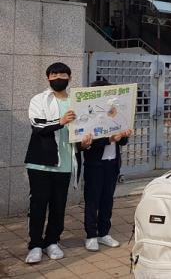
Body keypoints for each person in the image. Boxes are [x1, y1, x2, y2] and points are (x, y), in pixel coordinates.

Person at [25, 63, 93, 264]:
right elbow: (37, 126)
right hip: (41, 163)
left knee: (58, 205)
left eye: (62, 74)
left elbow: (80, 131)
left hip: (65, 163)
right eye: (53, 74)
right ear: (48, 78)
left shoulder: (76, 102)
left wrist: (84, 145)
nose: (58, 77)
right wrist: (60, 121)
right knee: (38, 205)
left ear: (70, 78)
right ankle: (35, 245)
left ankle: (52, 241)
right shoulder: (39, 99)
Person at [80, 80, 133, 252]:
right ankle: (91, 235)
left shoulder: (116, 115)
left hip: (112, 163)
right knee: (92, 200)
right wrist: (110, 138)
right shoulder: (90, 117)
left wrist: (125, 135)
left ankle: (104, 233)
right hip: (95, 164)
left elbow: (122, 142)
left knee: (107, 199)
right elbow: (87, 141)